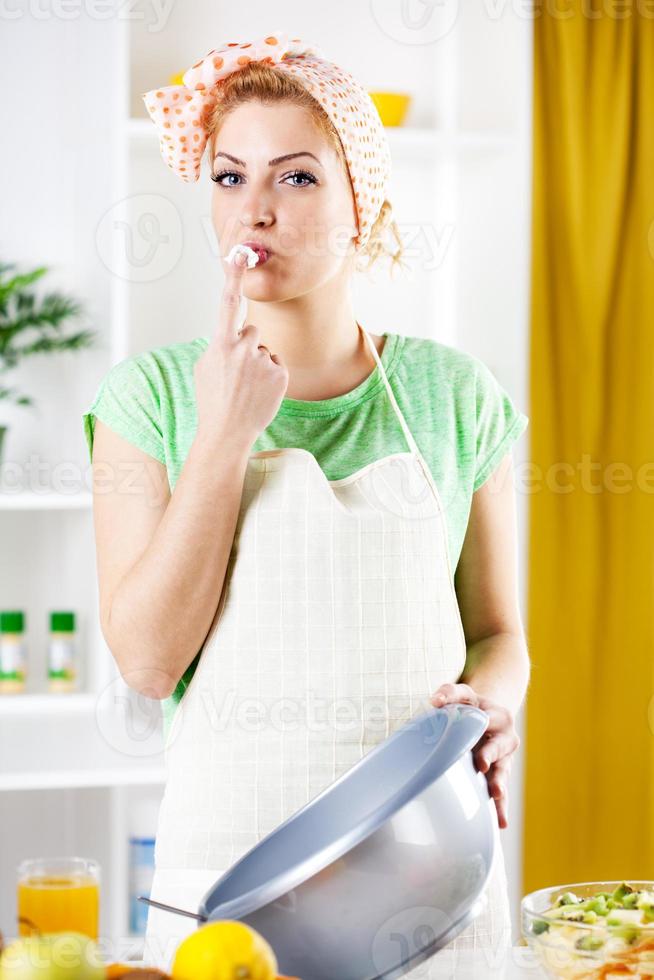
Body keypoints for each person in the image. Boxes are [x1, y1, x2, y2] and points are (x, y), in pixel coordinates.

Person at [82, 31, 530, 975]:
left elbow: (500, 634)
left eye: (296, 179)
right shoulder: (150, 399)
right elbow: (150, 663)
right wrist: (224, 433)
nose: (255, 210)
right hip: (228, 899)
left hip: (431, 886)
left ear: (361, 204)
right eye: (228, 176)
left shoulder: (455, 396)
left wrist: (492, 702)